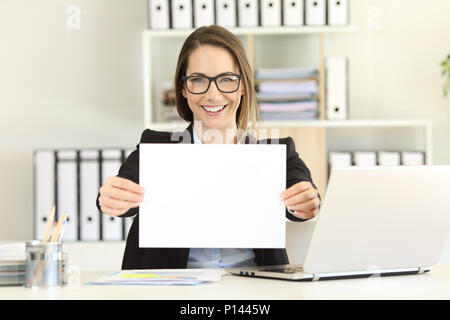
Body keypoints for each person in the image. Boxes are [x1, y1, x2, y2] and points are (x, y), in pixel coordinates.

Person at [96, 25, 321, 270]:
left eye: (226, 79)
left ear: (244, 85)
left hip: (254, 289)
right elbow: (125, 187)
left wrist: (305, 204)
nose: (213, 95)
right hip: (173, 289)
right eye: (198, 80)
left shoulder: (276, 153)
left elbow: (303, 191)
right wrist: (112, 198)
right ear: (183, 88)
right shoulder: (156, 148)